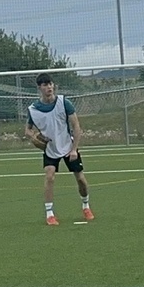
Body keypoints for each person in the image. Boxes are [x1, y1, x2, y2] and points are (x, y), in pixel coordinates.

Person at [24, 74, 93, 224]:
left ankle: (86, 206)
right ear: (39, 88)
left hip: (68, 146)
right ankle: (50, 214)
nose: (49, 87)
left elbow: (76, 126)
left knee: (80, 179)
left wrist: (74, 149)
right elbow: (27, 130)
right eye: (45, 85)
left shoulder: (64, 103)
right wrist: (34, 137)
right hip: (50, 149)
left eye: (50, 84)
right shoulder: (33, 109)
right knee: (49, 176)